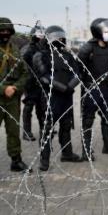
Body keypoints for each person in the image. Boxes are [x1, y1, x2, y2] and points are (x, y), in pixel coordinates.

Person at [33, 25, 82, 171]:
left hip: (66, 96)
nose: (60, 39)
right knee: (47, 128)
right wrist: (61, 87)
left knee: (66, 125)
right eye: (57, 36)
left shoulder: (67, 55)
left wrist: (70, 86)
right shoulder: (40, 55)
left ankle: (67, 154)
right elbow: (44, 76)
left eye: (62, 37)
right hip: (50, 96)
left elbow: (78, 73)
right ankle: (44, 159)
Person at [78, 18, 108, 161]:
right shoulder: (87, 49)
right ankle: (86, 150)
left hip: (106, 88)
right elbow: (79, 69)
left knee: (107, 118)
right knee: (87, 120)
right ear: (97, 32)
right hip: (91, 88)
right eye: (106, 31)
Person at [0, 17, 30, 172]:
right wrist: (3, 88)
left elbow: (25, 73)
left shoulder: (15, 49)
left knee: (13, 130)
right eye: (1, 31)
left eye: (7, 31)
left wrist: (15, 88)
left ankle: (16, 160)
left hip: (13, 98)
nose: (4, 33)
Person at [21, 24, 46, 141]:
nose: (41, 38)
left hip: (41, 82)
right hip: (30, 82)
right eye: (39, 36)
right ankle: (26, 132)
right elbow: (23, 66)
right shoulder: (28, 49)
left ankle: (44, 127)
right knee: (29, 106)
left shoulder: (43, 48)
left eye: (43, 36)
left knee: (42, 107)